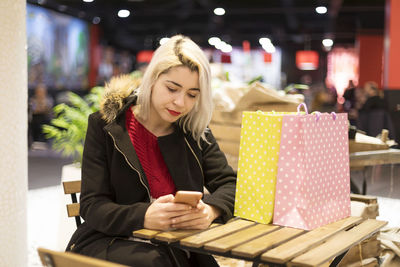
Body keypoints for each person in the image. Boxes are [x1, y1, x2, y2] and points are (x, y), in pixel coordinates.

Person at [66, 35, 236, 266]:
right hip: (110, 242)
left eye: (192, 94)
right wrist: (144, 215)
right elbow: (92, 205)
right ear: (152, 79)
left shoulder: (194, 132)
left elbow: (231, 184)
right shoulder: (107, 126)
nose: (180, 102)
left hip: (177, 247)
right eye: (172, 88)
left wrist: (212, 209)